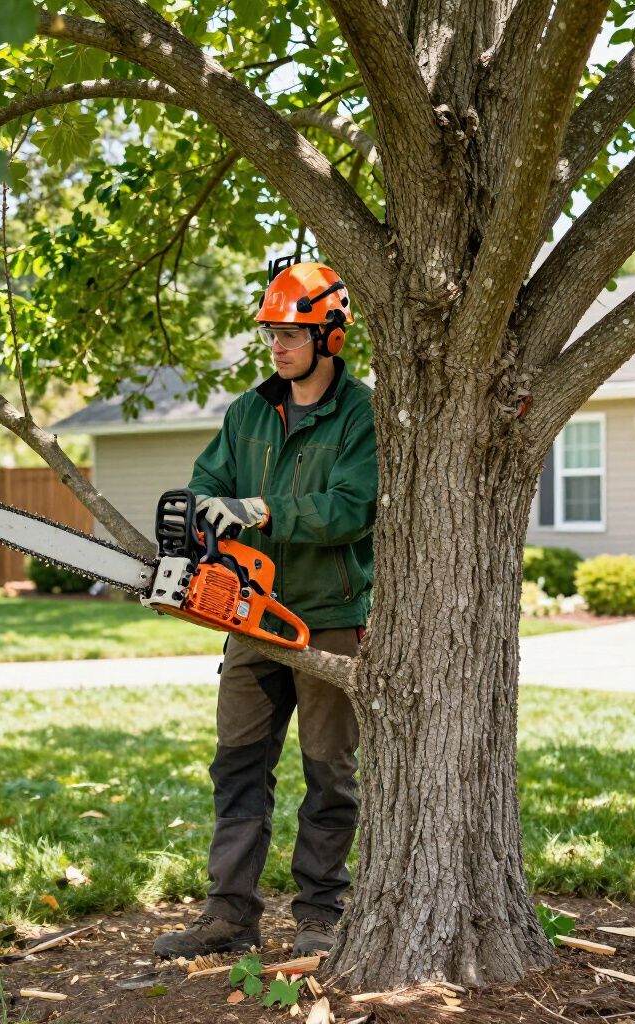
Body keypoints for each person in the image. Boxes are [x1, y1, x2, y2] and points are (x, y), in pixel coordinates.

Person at [153, 260, 377, 960]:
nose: (276, 347)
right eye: (271, 334)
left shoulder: (360, 413)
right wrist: (200, 519)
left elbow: (351, 508)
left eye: (291, 333)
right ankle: (229, 913)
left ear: (329, 337)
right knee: (239, 761)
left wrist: (260, 508)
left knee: (328, 772)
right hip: (250, 613)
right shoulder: (250, 411)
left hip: (329, 616)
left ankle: (320, 912)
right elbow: (208, 479)